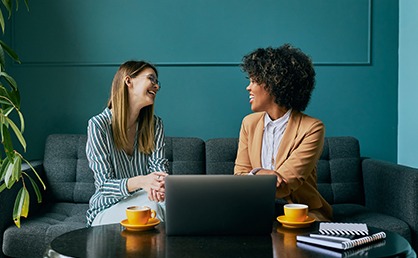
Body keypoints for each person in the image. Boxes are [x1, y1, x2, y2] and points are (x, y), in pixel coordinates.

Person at [234, 44, 332, 221]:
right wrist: (257, 172)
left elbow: (285, 185)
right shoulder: (249, 123)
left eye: (254, 81)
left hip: (300, 214)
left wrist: (252, 179)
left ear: (274, 83)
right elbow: (239, 177)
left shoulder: (312, 128)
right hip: (256, 209)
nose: (248, 87)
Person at [86, 60, 169, 226]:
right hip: (108, 207)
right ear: (129, 81)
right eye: (151, 79)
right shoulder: (98, 125)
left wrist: (159, 186)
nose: (156, 86)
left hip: (147, 201)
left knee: (168, 206)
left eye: (157, 82)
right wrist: (143, 181)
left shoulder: (155, 125)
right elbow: (103, 185)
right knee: (151, 210)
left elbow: (158, 170)